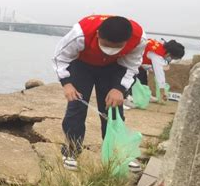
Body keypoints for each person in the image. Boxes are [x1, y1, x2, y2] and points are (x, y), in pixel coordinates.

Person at [52, 15, 147, 172]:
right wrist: (66, 83)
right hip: (83, 65)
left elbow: (132, 65)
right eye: (106, 45)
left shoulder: (139, 39)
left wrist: (119, 88)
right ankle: (71, 150)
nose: (110, 50)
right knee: (76, 107)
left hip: (114, 67)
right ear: (97, 35)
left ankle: (116, 152)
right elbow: (59, 57)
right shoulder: (81, 33)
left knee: (113, 109)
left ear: (127, 41)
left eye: (116, 47)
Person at [130, 39, 185, 105]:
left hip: (136, 59)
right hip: (129, 59)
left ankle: (144, 94)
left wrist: (149, 67)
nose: (171, 60)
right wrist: (162, 91)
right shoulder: (157, 55)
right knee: (135, 77)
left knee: (143, 77)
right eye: (172, 58)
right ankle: (128, 96)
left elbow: (145, 56)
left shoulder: (161, 46)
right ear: (169, 54)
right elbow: (159, 74)